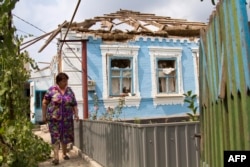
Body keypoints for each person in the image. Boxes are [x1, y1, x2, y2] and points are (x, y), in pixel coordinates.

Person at [42, 72, 79, 165]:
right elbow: (44, 102)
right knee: (55, 137)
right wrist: (44, 116)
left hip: (67, 119)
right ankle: (56, 157)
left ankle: (64, 154)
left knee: (65, 136)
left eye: (66, 81)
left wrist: (76, 114)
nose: (66, 83)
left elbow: (74, 104)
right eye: (63, 81)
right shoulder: (52, 90)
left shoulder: (69, 91)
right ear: (58, 81)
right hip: (54, 119)